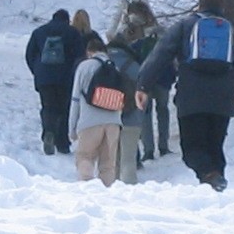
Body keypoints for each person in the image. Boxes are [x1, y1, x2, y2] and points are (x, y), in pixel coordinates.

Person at [135, 0, 234, 192]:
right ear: (222, 6)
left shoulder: (185, 26)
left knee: (192, 149)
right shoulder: (231, 31)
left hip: (191, 96)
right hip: (223, 99)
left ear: (200, 4)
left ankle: (210, 177)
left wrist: (143, 85)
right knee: (214, 147)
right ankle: (215, 186)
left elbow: (161, 54)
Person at [25, 9, 84, 155]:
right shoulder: (72, 32)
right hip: (65, 77)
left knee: (48, 107)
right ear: (67, 20)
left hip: (44, 78)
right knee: (63, 109)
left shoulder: (38, 32)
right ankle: (62, 143)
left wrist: (37, 72)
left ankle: (48, 132)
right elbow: (80, 55)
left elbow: (29, 55)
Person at [68, 38, 122, 187]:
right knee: (108, 164)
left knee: (85, 156)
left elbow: (76, 99)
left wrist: (72, 128)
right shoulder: (115, 67)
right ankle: (107, 193)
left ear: (89, 52)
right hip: (113, 122)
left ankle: (86, 188)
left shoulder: (84, 67)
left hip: (89, 122)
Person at [131, 23, 176, 161]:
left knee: (145, 114)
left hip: (146, 83)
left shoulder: (139, 44)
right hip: (163, 82)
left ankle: (148, 150)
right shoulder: (167, 45)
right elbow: (173, 64)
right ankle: (163, 146)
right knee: (163, 111)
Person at [107, 34, 143, 185]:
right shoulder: (134, 65)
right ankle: (130, 190)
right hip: (132, 116)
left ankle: (112, 190)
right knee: (128, 159)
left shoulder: (104, 64)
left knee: (112, 159)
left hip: (109, 116)